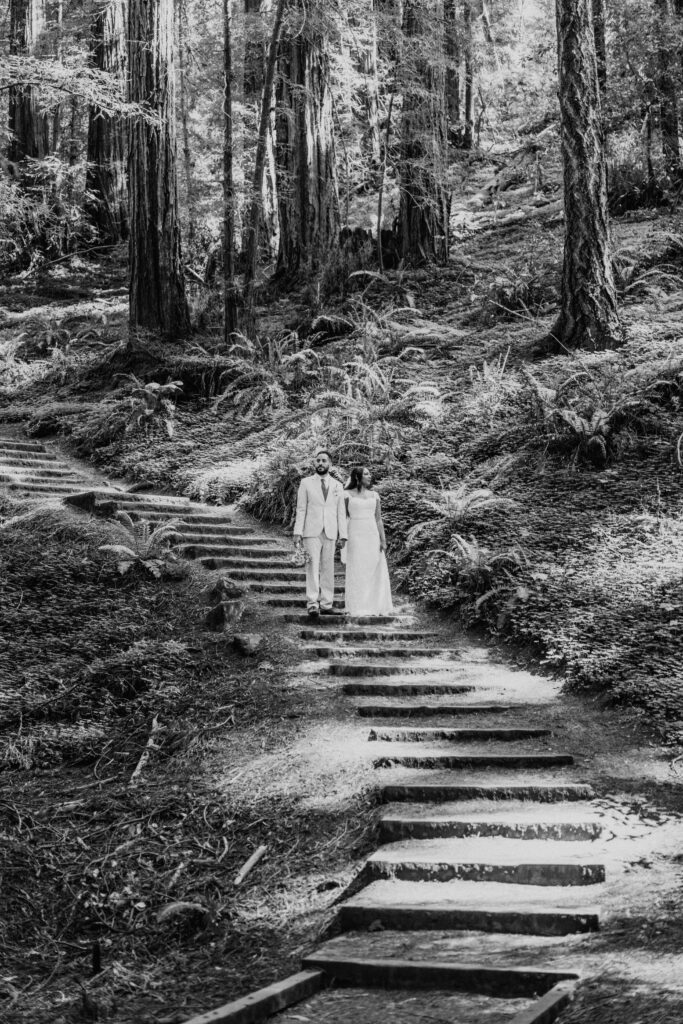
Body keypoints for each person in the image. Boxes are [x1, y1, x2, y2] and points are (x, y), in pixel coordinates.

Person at [293, 450, 347, 617]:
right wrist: (297, 531)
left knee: (328, 568)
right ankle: (312, 604)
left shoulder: (338, 485)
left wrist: (343, 534)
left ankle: (326, 604)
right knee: (312, 567)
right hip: (311, 531)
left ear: (330, 464)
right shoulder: (306, 483)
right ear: (314, 464)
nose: (321, 463)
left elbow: (340, 512)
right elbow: (301, 509)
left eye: (324, 460)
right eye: (318, 461)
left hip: (330, 532)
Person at [343, 466, 393, 616]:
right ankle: (357, 605)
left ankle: (375, 604)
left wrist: (383, 540)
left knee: (373, 567)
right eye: (366, 474)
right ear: (357, 477)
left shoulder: (375, 495)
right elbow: (343, 517)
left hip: (372, 534)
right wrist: (343, 537)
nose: (370, 476)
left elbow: (378, 519)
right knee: (358, 568)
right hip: (355, 533)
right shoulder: (346, 495)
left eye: (369, 473)